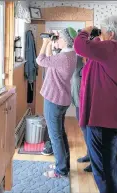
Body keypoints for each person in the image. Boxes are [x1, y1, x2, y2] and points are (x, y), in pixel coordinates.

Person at [74, 15, 117, 193]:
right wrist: (96, 37)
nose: (100, 35)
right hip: (114, 116)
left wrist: (85, 31)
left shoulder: (112, 48)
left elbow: (80, 46)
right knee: (108, 165)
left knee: (103, 170)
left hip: (105, 119)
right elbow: (95, 51)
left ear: (111, 34)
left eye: (102, 32)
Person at [36, 27, 77, 178]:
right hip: (62, 99)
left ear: (65, 40)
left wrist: (45, 42)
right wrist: (52, 45)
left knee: (55, 136)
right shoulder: (71, 54)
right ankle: (64, 164)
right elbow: (49, 62)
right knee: (60, 134)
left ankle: (60, 170)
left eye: (58, 37)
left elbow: (40, 61)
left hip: (54, 99)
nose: (56, 39)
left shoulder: (62, 58)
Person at [71, 55, 92, 172]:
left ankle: (94, 161)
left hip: (86, 102)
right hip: (78, 101)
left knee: (88, 129)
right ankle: (89, 154)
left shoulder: (91, 63)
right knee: (84, 128)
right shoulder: (79, 60)